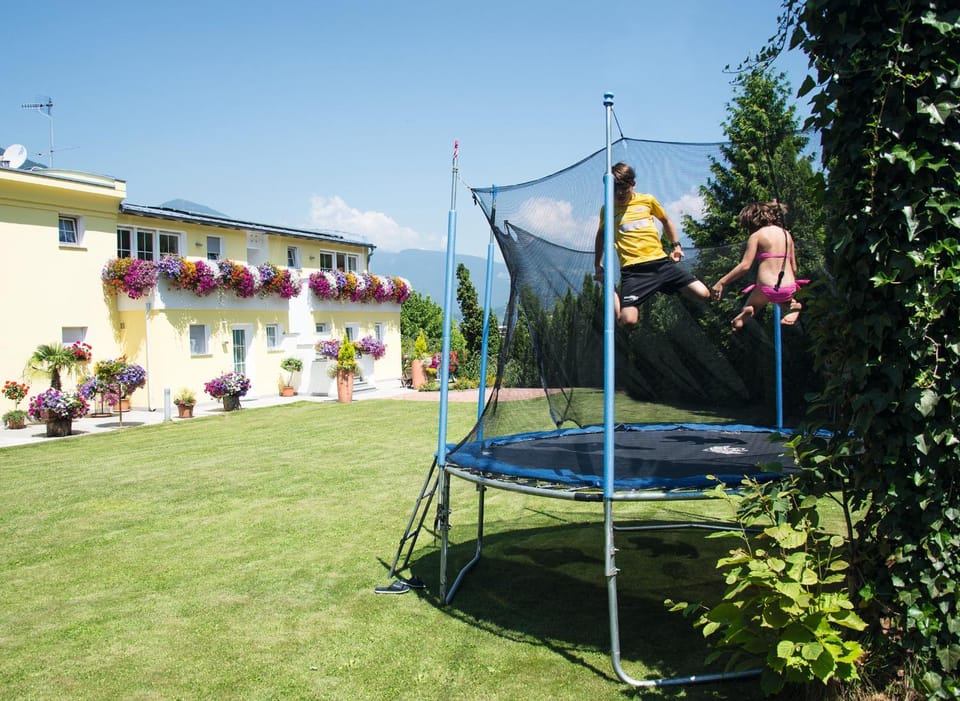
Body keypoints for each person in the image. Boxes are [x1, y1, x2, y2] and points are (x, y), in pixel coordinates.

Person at [593, 162, 710, 328]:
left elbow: (666, 220)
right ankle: (609, 286)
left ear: (633, 185)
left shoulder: (647, 201)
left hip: (661, 264)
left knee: (703, 293)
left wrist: (676, 246)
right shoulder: (608, 209)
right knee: (627, 321)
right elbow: (601, 235)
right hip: (634, 272)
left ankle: (667, 286)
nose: (619, 193)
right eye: (614, 189)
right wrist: (598, 263)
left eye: (623, 189)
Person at [711, 200, 805, 330]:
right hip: (788, 285)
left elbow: (745, 265)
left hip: (766, 286)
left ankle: (748, 312)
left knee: (753, 306)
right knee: (785, 300)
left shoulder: (756, 236)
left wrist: (722, 282)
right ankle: (792, 305)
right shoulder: (786, 234)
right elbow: (794, 267)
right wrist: (791, 287)